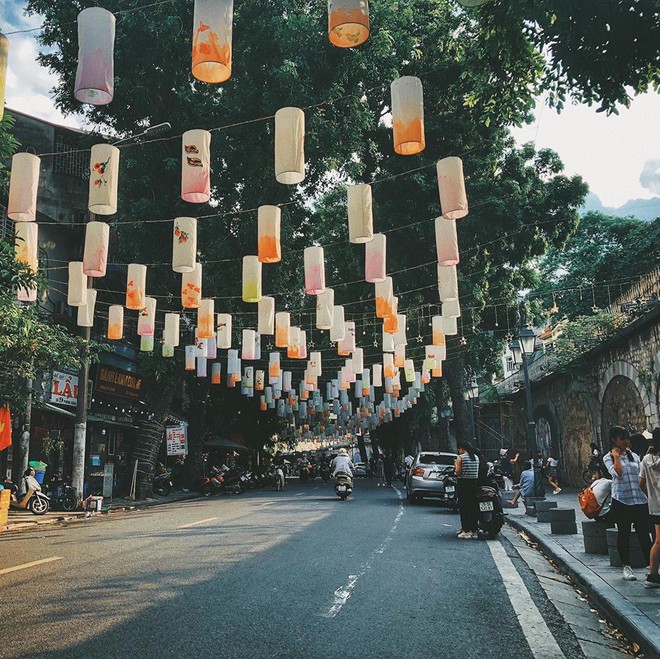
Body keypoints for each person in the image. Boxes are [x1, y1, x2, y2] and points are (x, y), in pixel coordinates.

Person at [603, 426, 653, 581]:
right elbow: (617, 473)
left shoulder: (634, 456)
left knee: (644, 533)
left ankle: (652, 566)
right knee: (623, 533)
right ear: (614, 440)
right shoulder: (608, 457)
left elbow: (640, 476)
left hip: (638, 499)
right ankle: (626, 566)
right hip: (621, 499)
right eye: (622, 438)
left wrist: (647, 495)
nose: (625, 441)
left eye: (626, 438)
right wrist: (616, 457)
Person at [639, 429, 660, 588]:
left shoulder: (646, 459)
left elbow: (641, 482)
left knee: (658, 540)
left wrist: (650, 496)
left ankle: (653, 575)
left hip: (655, 506)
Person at [455, 441, 480, 539]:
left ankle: (466, 530)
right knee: (473, 507)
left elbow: (458, 472)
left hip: (464, 484)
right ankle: (474, 530)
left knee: (464, 507)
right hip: (474, 483)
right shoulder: (476, 457)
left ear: (462, 448)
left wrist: (456, 467)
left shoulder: (461, 458)